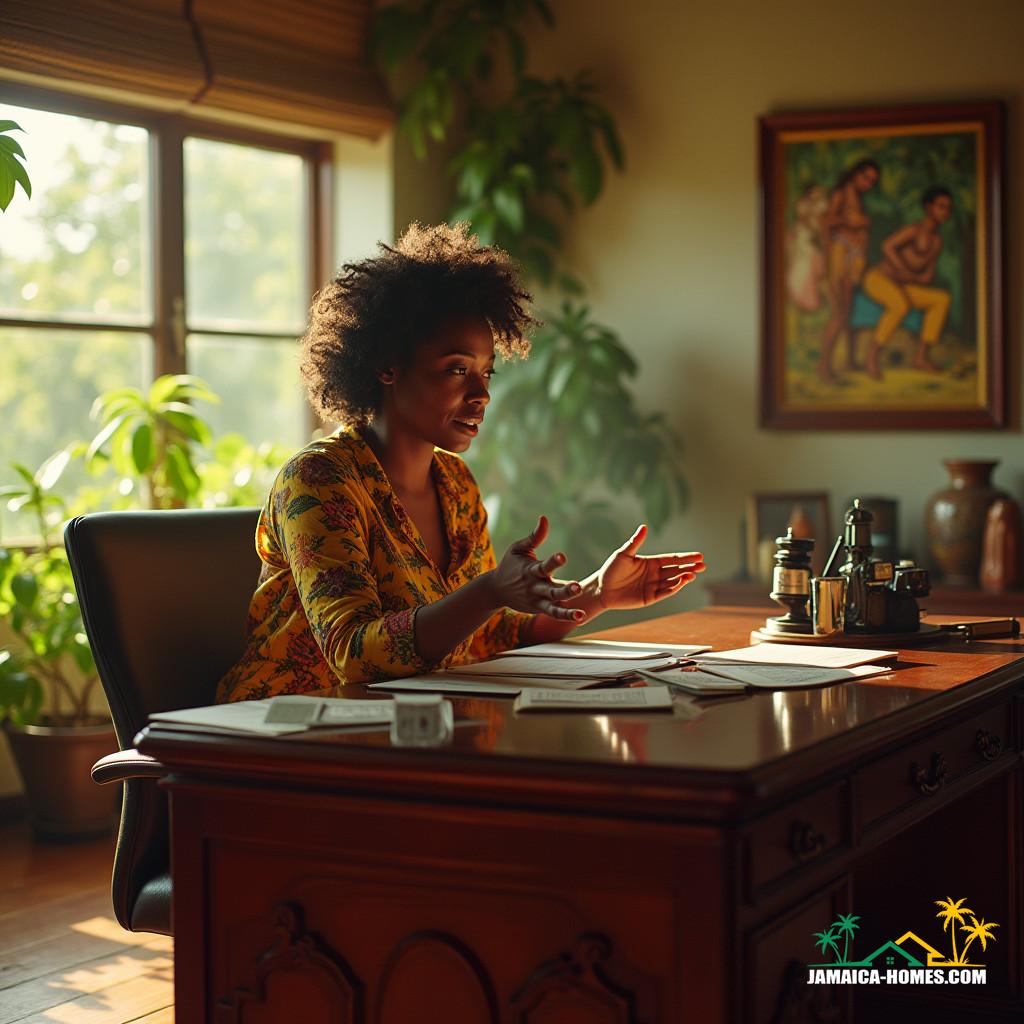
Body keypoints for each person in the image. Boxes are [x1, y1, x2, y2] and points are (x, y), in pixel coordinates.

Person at [216, 222, 706, 703]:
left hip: (406, 733)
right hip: (281, 738)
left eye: (485, 373)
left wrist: (596, 594)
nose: (482, 394)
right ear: (387, 365)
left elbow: (483, 637)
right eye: (456, 370)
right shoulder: (320, 480)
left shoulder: (454, 483)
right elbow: (353, 655)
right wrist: (491, 589)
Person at [860, 186, 953, 380]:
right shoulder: (914, 229)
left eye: (948, 208)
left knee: (941, 299)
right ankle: (872, 356)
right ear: (928, 207)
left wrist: (913, 277)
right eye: (941, 206)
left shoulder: (937, 241)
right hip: (878, 279)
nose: (945, 212)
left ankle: (921, 357)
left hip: (901, 286)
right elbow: (887, 245)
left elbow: (927, 276)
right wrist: (903, 270)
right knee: (899, 305)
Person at [818, 159, 880, 382]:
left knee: (849, 313)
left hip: (853, 258)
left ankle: (850, 361)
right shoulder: (841, 193)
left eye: (873, 182)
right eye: (866, 178)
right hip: (840, 255)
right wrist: (851, 222)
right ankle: (824, 366)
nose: (869, 184)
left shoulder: (859, 198)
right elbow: (826, 222)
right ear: (855, 174)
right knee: (839, 314)